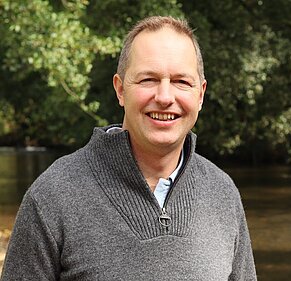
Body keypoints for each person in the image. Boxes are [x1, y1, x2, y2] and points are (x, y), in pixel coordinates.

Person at [1, 16, 257, 280]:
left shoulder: (222, 193)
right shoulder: (52, 197)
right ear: (120, 90)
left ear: (200, 95)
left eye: (181, 81)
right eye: (148, 79)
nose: (165, 97)